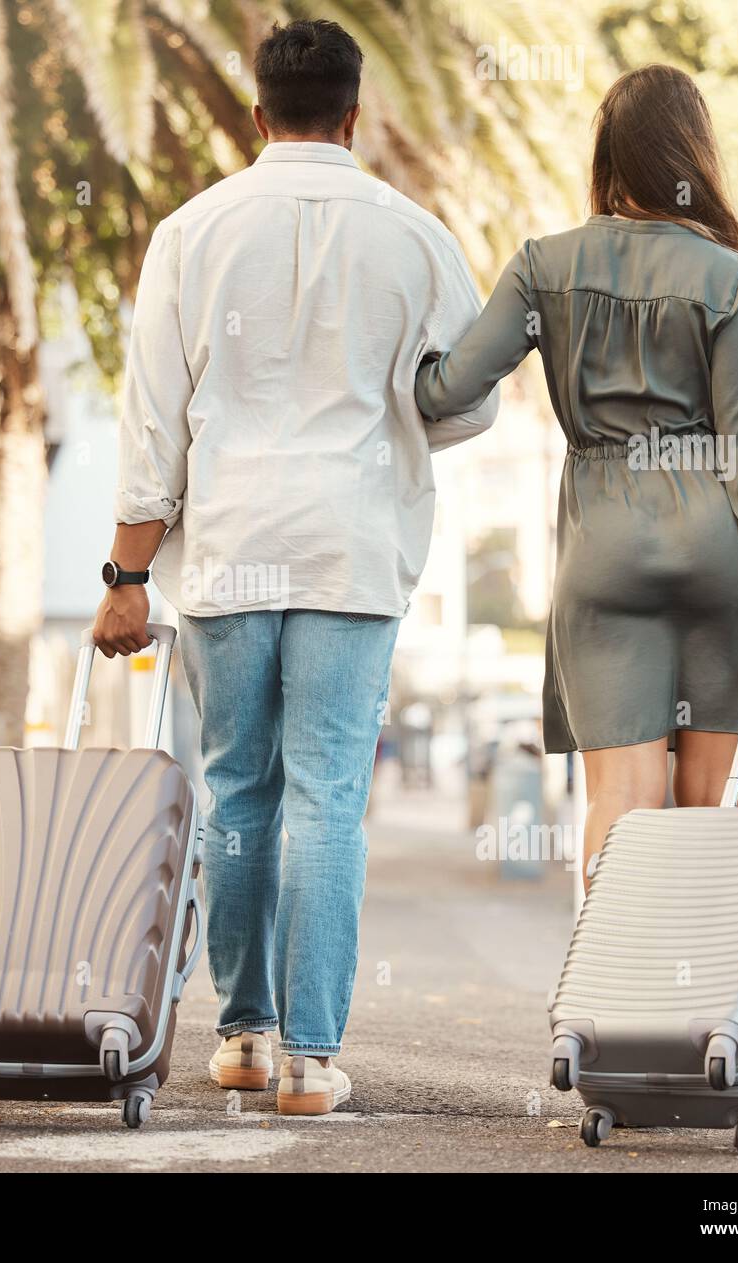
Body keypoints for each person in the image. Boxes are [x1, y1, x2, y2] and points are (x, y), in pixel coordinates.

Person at [92, 18, 497, 1114]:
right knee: (328, 799)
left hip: (228, 549)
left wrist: (123, 575)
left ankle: (241, 1037)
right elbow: (473, 396)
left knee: (236, 790)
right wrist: (397, 419)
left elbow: (153, 425)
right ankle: (314, 1061)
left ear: (258, 115)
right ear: (355, 115)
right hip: (353, 548)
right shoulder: (415, 236)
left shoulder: (191, 231)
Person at [415, 64, 738, 882]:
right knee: (718, 808)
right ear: (693, 155)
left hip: (604, 555)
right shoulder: (728, 278)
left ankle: (618, 996)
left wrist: (408, 356)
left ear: (607, 155)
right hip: (717, 552)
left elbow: (448, 388)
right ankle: (709, 999)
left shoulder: (544, 265)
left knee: (621, 807)